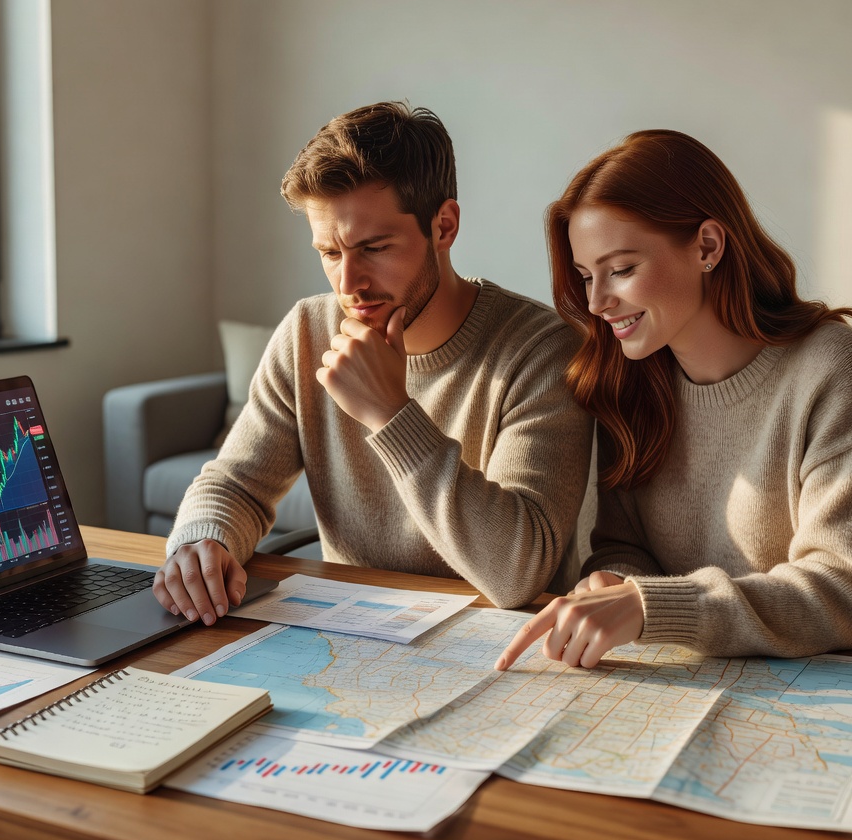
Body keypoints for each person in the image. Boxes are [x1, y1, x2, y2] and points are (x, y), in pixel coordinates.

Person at [497, 129, 852, 671]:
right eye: (587, 276)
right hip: (719, 672)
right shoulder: (629, 379)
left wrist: (646, 605)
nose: (596, 302)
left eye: (621, 270)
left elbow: (844, 592)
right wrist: (614, 579)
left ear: (707, 246)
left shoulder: (834, 367)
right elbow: (624, 547)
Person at [155, 101, 593, 624]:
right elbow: (236, 484)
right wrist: (202, 539)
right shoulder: (307, 331)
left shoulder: (543, 350)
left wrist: (390, 414)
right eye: (330, 253)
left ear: (444, 227)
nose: (349, 285)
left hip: (499, 644)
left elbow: (518, 573)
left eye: (375, 247)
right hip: (356, 634)